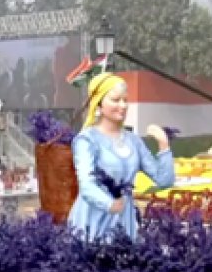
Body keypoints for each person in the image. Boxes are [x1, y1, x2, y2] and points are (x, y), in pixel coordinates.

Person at [67, 72, 175, 241]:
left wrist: (163, 145)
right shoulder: (87, 140)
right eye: (116, 100)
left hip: (125, 221)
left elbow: (164, 180)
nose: (123, 105)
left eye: (125, 100)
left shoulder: (134, 141)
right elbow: (87, 186)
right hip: (93, 220)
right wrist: (110, 205)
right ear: (99, 103)